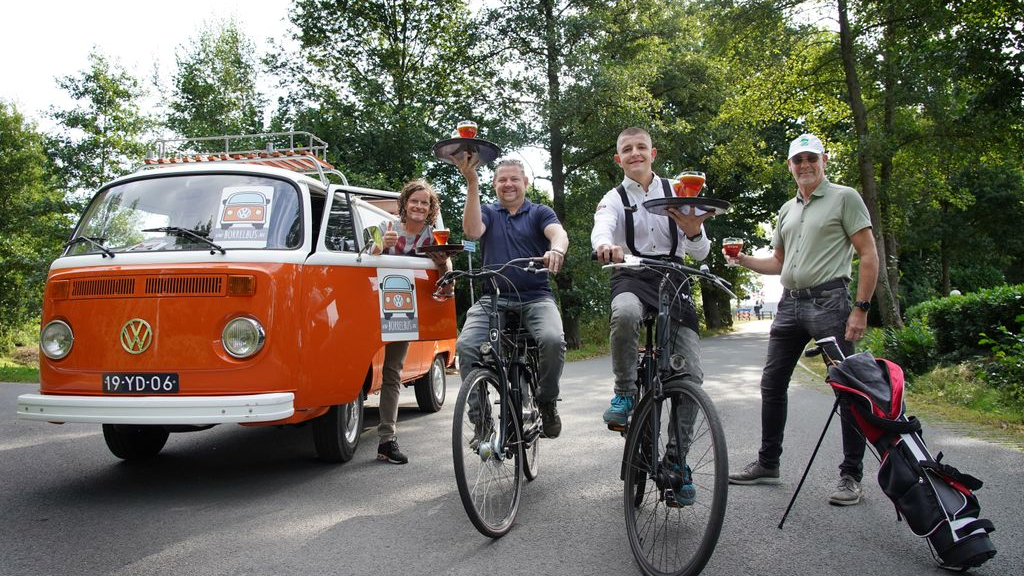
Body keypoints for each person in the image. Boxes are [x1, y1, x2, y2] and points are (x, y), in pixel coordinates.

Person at [725, 133, 879, 506]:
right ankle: (768, 462)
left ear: (824, 160)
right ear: (790, 165)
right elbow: (778, 263)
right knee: (772, 382)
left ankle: (850, 476)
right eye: (798, 160)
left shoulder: (845, 197)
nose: (805, 165)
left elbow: (869, 254)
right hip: (789, 305)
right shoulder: (787, 209)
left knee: (848, 388)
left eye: (812, 158)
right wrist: (741, 260)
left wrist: (861, 307)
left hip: (830, 302)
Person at [592, 127, 712, 432]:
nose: (635, 154)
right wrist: (605, 246)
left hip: (674, 277)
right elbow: (602, 226)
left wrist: (694, 230)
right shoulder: (613, 197)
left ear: (652, 153)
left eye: (641, 147)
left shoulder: (679, 189)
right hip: (631, 274)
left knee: (691, 374)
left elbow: (700, 254)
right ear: (619, 160)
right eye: (628, 149)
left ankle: (678, 455)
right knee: (626, 313)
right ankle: (625, 392)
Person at [455, 153, 569, 438]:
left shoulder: (540, 212)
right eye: (502, 180)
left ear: (525, 182)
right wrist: (471, 182)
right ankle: (481, 422)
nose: (508, 184)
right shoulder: (490, 213)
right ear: (494, 184)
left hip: (536, 295)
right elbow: (471, 231)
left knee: (554, 340)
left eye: (514, 179)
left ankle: (546, 400)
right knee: (467, 346)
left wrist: (556, 249)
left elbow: (558, 233)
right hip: (492, 297)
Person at [370, 179, 451, 464]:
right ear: (404, 203)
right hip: (370, 306)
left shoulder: (434, 235)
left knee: (393, 371)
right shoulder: (386, 228)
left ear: (430, 209)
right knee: (355, 369)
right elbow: (365, 258)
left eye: (425, 202)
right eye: (414, 200)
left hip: (403, 311)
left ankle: (386, 441)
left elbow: (446, 275)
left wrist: (443, 264)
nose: (419, 206)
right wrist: (381, 247)